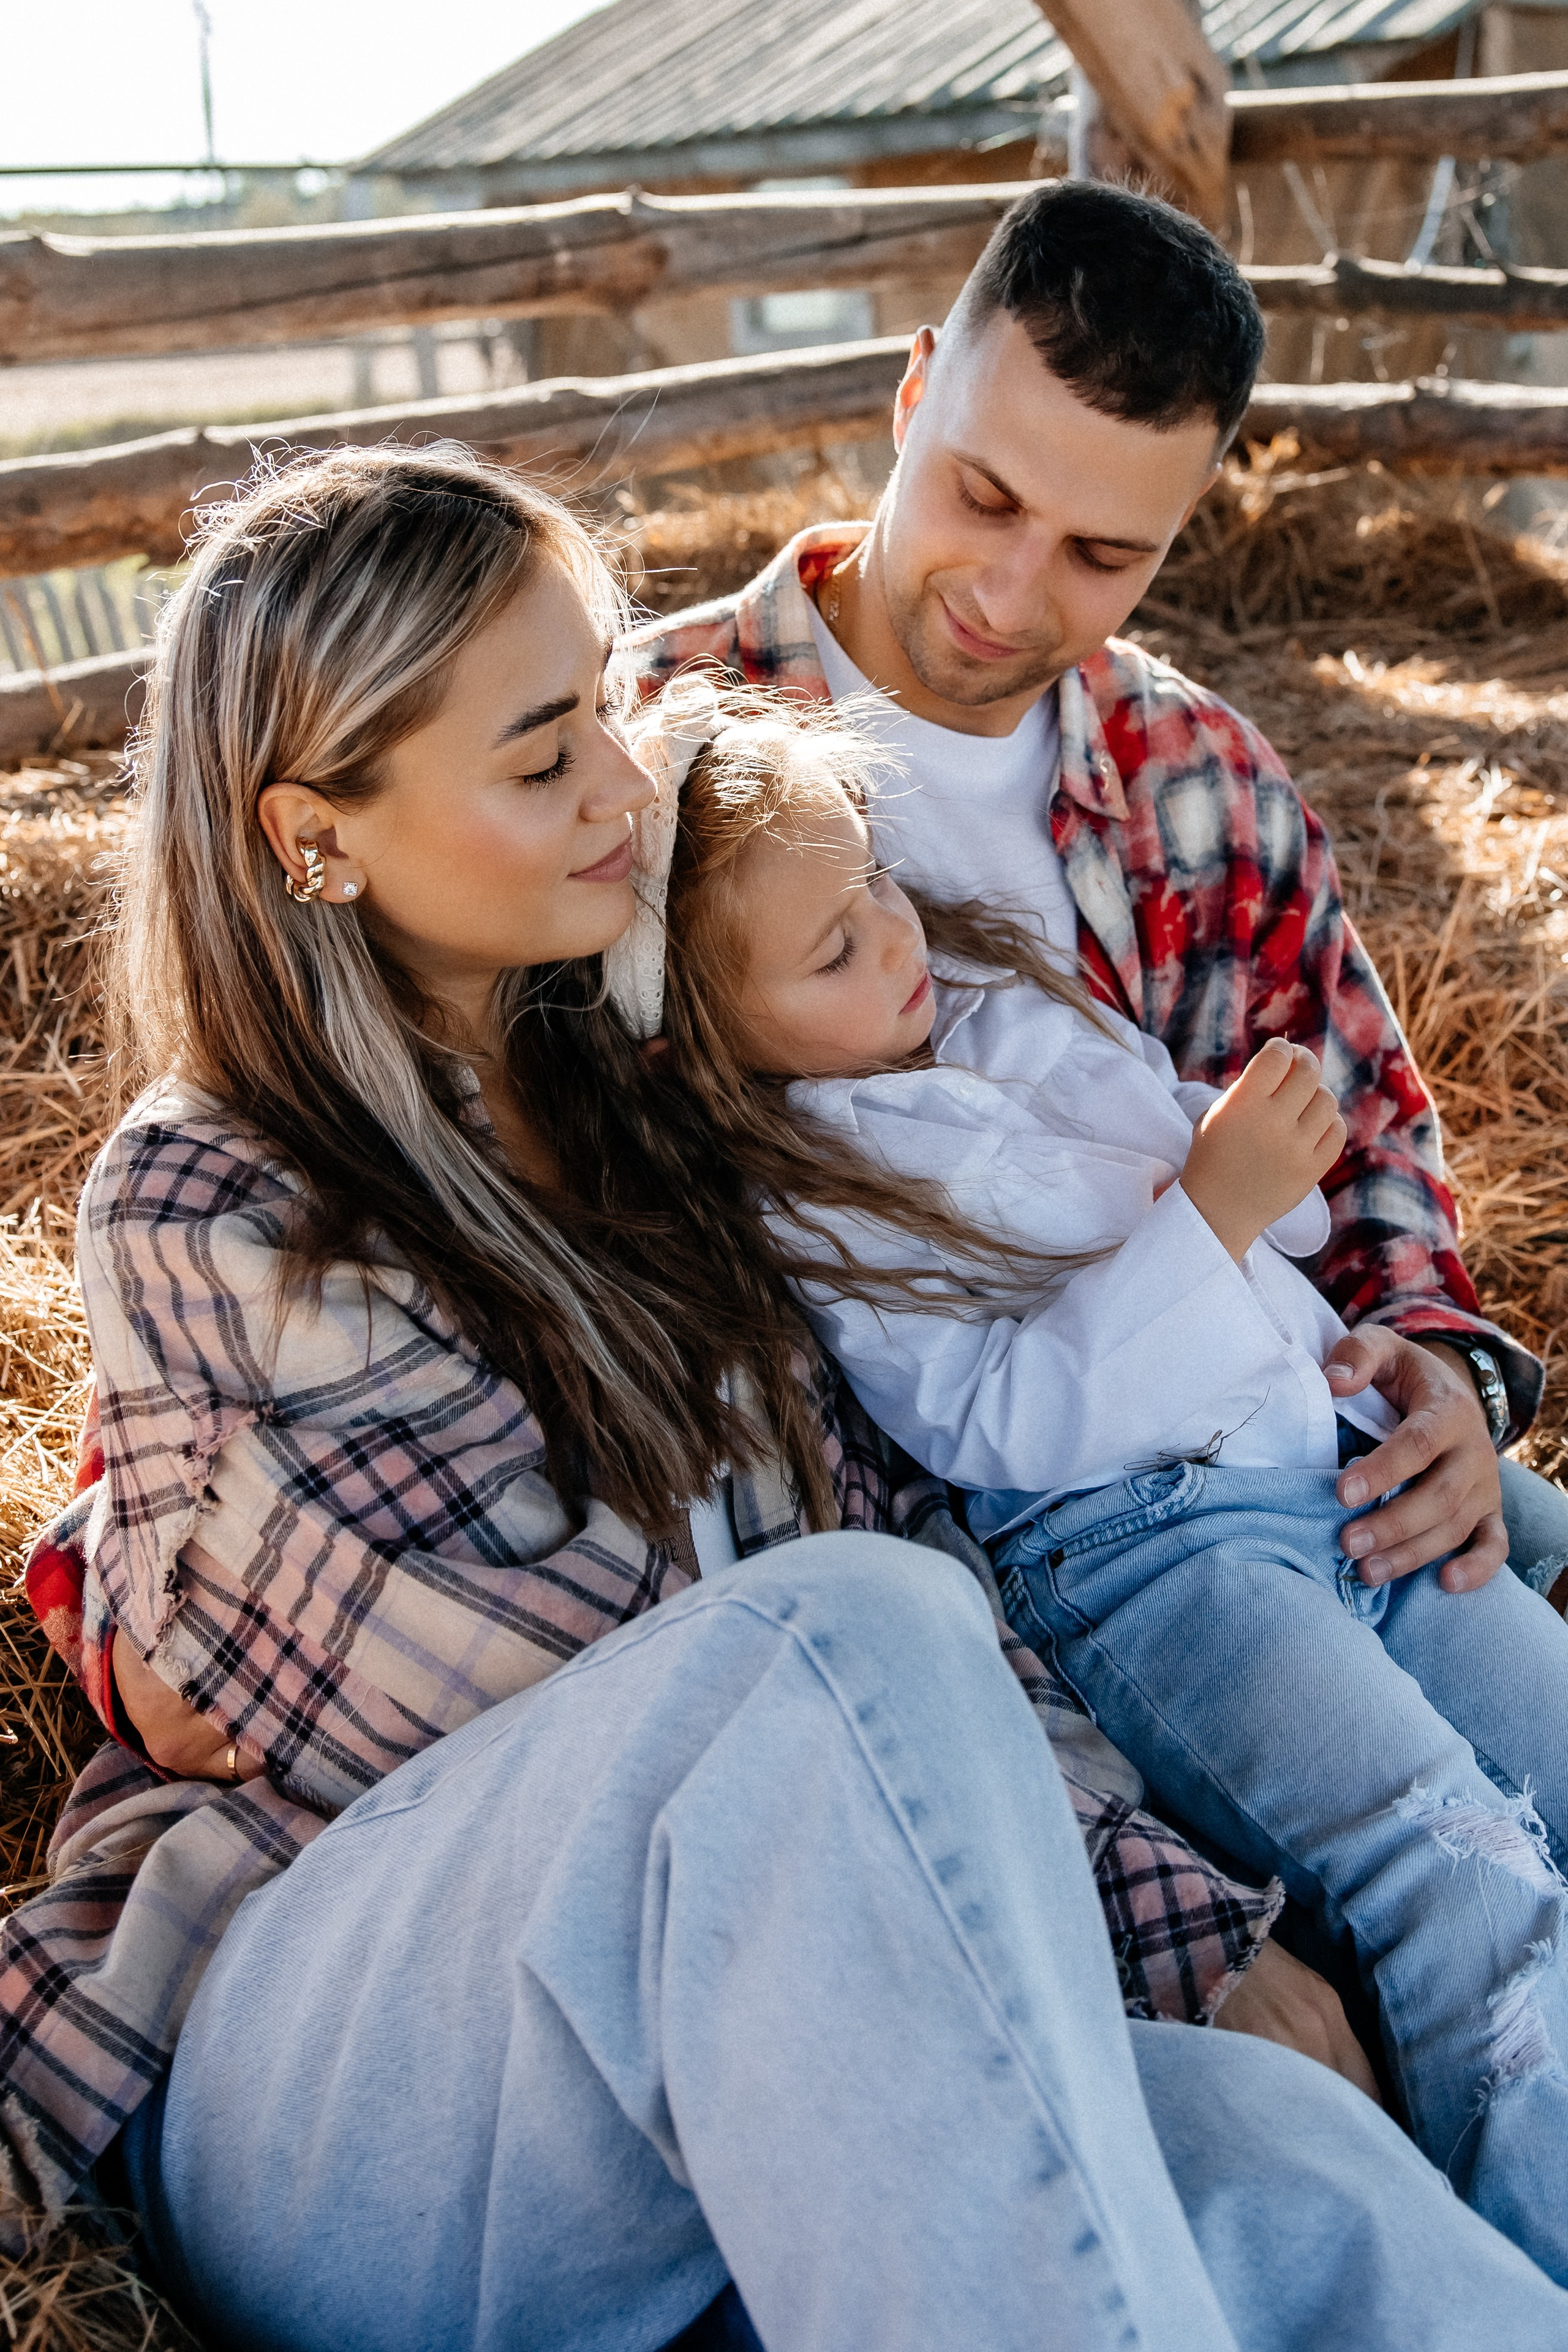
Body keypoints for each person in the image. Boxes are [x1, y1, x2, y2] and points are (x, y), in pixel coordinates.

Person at [8, 443, 1568, 2351]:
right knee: (833, 1638)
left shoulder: (670, 1119)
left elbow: (914, 1525)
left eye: (598, 704)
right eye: (542, 754)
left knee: (1287, 2165)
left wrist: (1175, 1924)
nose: (621, 782)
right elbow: (492, 1684)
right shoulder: (210, 1196)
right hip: (369, 2067)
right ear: (311, 834)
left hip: (794, 1991)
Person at [598, 680, 1568, 2280]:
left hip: (1318, 1459)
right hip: (1150, 1553)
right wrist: (1214, 1209)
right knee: (1457, 1874)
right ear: (706, 1045)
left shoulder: (993, 1014)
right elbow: (1004, 1421)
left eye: (881, 889)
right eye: (835, 948)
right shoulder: (817, 1193)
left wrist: (1340, 1294)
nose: (896, 943)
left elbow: (1216, 1196)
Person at [627, 176, 1568, 1610]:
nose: (1008, 594)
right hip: (885, 1580)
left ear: (1185, 526)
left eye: (1099, 554)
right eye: (981, 495)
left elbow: (1364, 1132)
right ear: (910, 395)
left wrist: (1435, 1372)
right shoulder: (643, 754)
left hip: (1265, 1476)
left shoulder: (1204, 779)